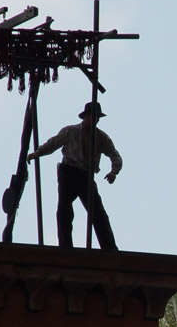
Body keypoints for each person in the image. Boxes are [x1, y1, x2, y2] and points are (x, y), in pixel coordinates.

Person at [27, 101, 122, 250]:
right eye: (95, 117)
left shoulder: (101, 137)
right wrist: (37, 153)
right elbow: (53, 144)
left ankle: (109, 248)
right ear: (87, 116)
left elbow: (115, 155)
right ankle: (66, 246)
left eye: (98, 118)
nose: (97, 120)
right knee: (64, 209)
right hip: (69, 172)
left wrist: (114, 171)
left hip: (86, 175)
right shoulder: (70, 131)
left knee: (98, 213)